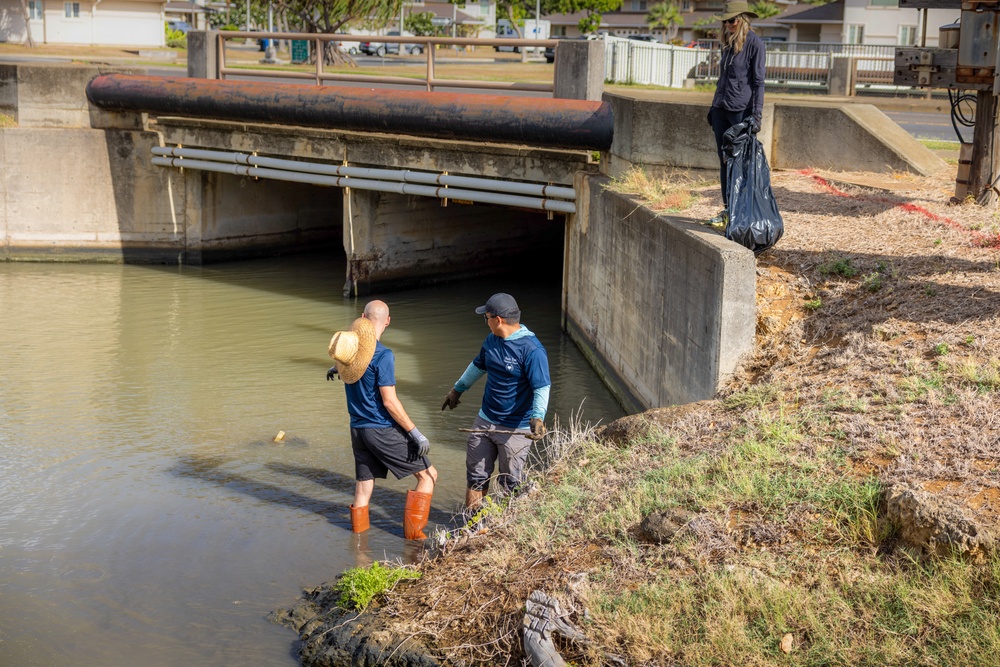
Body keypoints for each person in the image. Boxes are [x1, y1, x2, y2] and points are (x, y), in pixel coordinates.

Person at [327, 300, 438, 540]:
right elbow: (389, 401)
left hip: (357, 429)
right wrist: (415, 432)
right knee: (428, 476)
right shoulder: (384, 355)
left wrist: (335, 368)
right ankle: (414, 539)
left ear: (362, 317)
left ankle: (359, 546)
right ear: (387, 321)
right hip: (380, 428)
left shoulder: (350, 354)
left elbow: (351, 366)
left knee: (364, 486)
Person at [441, 293, 551, 511]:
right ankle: (472, 524)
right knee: (475, 477)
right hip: (485, 420)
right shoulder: (492, 340)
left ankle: (506, 526)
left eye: (487, 318)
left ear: (498, 320)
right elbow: (477, 366)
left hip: (515, 428)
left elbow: (542, 387)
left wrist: (538, 417)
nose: (486, 322)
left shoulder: (532, 350)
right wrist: (457, 389)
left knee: (510, 482)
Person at [705, 0, 765, 229]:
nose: (728, 24)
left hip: (741, 112)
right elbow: (722, 80)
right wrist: (713, 107)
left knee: (741, 164)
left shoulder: (755, 44)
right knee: (724, 161)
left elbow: (759, 83)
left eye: (732, 20)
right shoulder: (728, 44)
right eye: (725, 21)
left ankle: (743, 215)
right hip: (721, 110)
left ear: (743, 19)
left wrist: (756, 115)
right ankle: (729, 211)